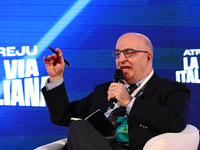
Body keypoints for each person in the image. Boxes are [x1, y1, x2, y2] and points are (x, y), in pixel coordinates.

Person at [42, 32, 190, 150]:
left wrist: (129, 102)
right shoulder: (104, 90)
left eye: (129, 52)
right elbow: (62, 117)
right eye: (118, 53)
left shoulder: (171, 89)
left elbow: (175, 122)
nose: (121, 59)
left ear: (148, 58)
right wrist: (56, 78)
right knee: (79, 126)